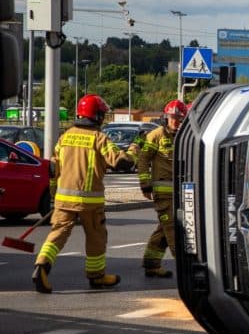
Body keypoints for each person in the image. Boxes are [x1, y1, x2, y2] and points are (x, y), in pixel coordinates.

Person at [32, 94, 133, 293]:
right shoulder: (99, 138)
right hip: (90, 201)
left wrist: (53, 196)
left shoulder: (65, 137)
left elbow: (53, 168)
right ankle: (97, 276)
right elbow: (120, 161)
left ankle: (42, 265)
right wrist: (132, 152)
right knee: (96, 236)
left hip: (63, 199)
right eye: (102, 114)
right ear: (97, 116)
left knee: (58, 233)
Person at [136, 99, 188, 277]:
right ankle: (185, 269)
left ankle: (151, 264)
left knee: (163, 230)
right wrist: (145, 184)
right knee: (173, 229)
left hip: (179, 192)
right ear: (166, 117)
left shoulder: (184, 137)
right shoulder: (156, 135)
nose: (175, 121)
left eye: (179, 118)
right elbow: (143, 160)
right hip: (163, 193)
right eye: (172, 118)